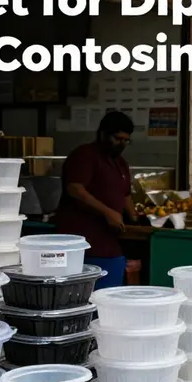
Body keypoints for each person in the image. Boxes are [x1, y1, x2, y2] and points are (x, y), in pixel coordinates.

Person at [56, 111, 136, 289]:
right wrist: (107, 212)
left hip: (112, 246)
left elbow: (126, 195)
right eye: (117, 139)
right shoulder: (84, 155)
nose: (121, 144)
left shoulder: (120, 163)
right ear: (102, 134)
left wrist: (137, 219)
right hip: (85, 245)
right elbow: (75, 189)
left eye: (126, 140)